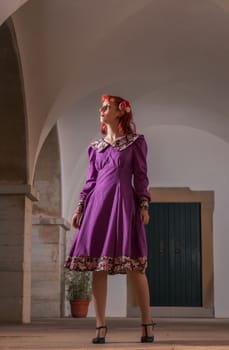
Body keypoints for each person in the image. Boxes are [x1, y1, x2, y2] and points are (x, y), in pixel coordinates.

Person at [65, 94, 154, 344]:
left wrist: (143, 204)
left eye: (107, 107)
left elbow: (142, 177)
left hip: (124, 204)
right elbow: (90, 182)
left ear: (120, 112)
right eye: (101, 107)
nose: (101, 110)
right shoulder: (96, 148)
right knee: (97, 267)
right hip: (97, 208)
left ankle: (147, 324)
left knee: (135, 265)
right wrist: (80, 208)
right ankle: (100, 327)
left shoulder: (136, 143)